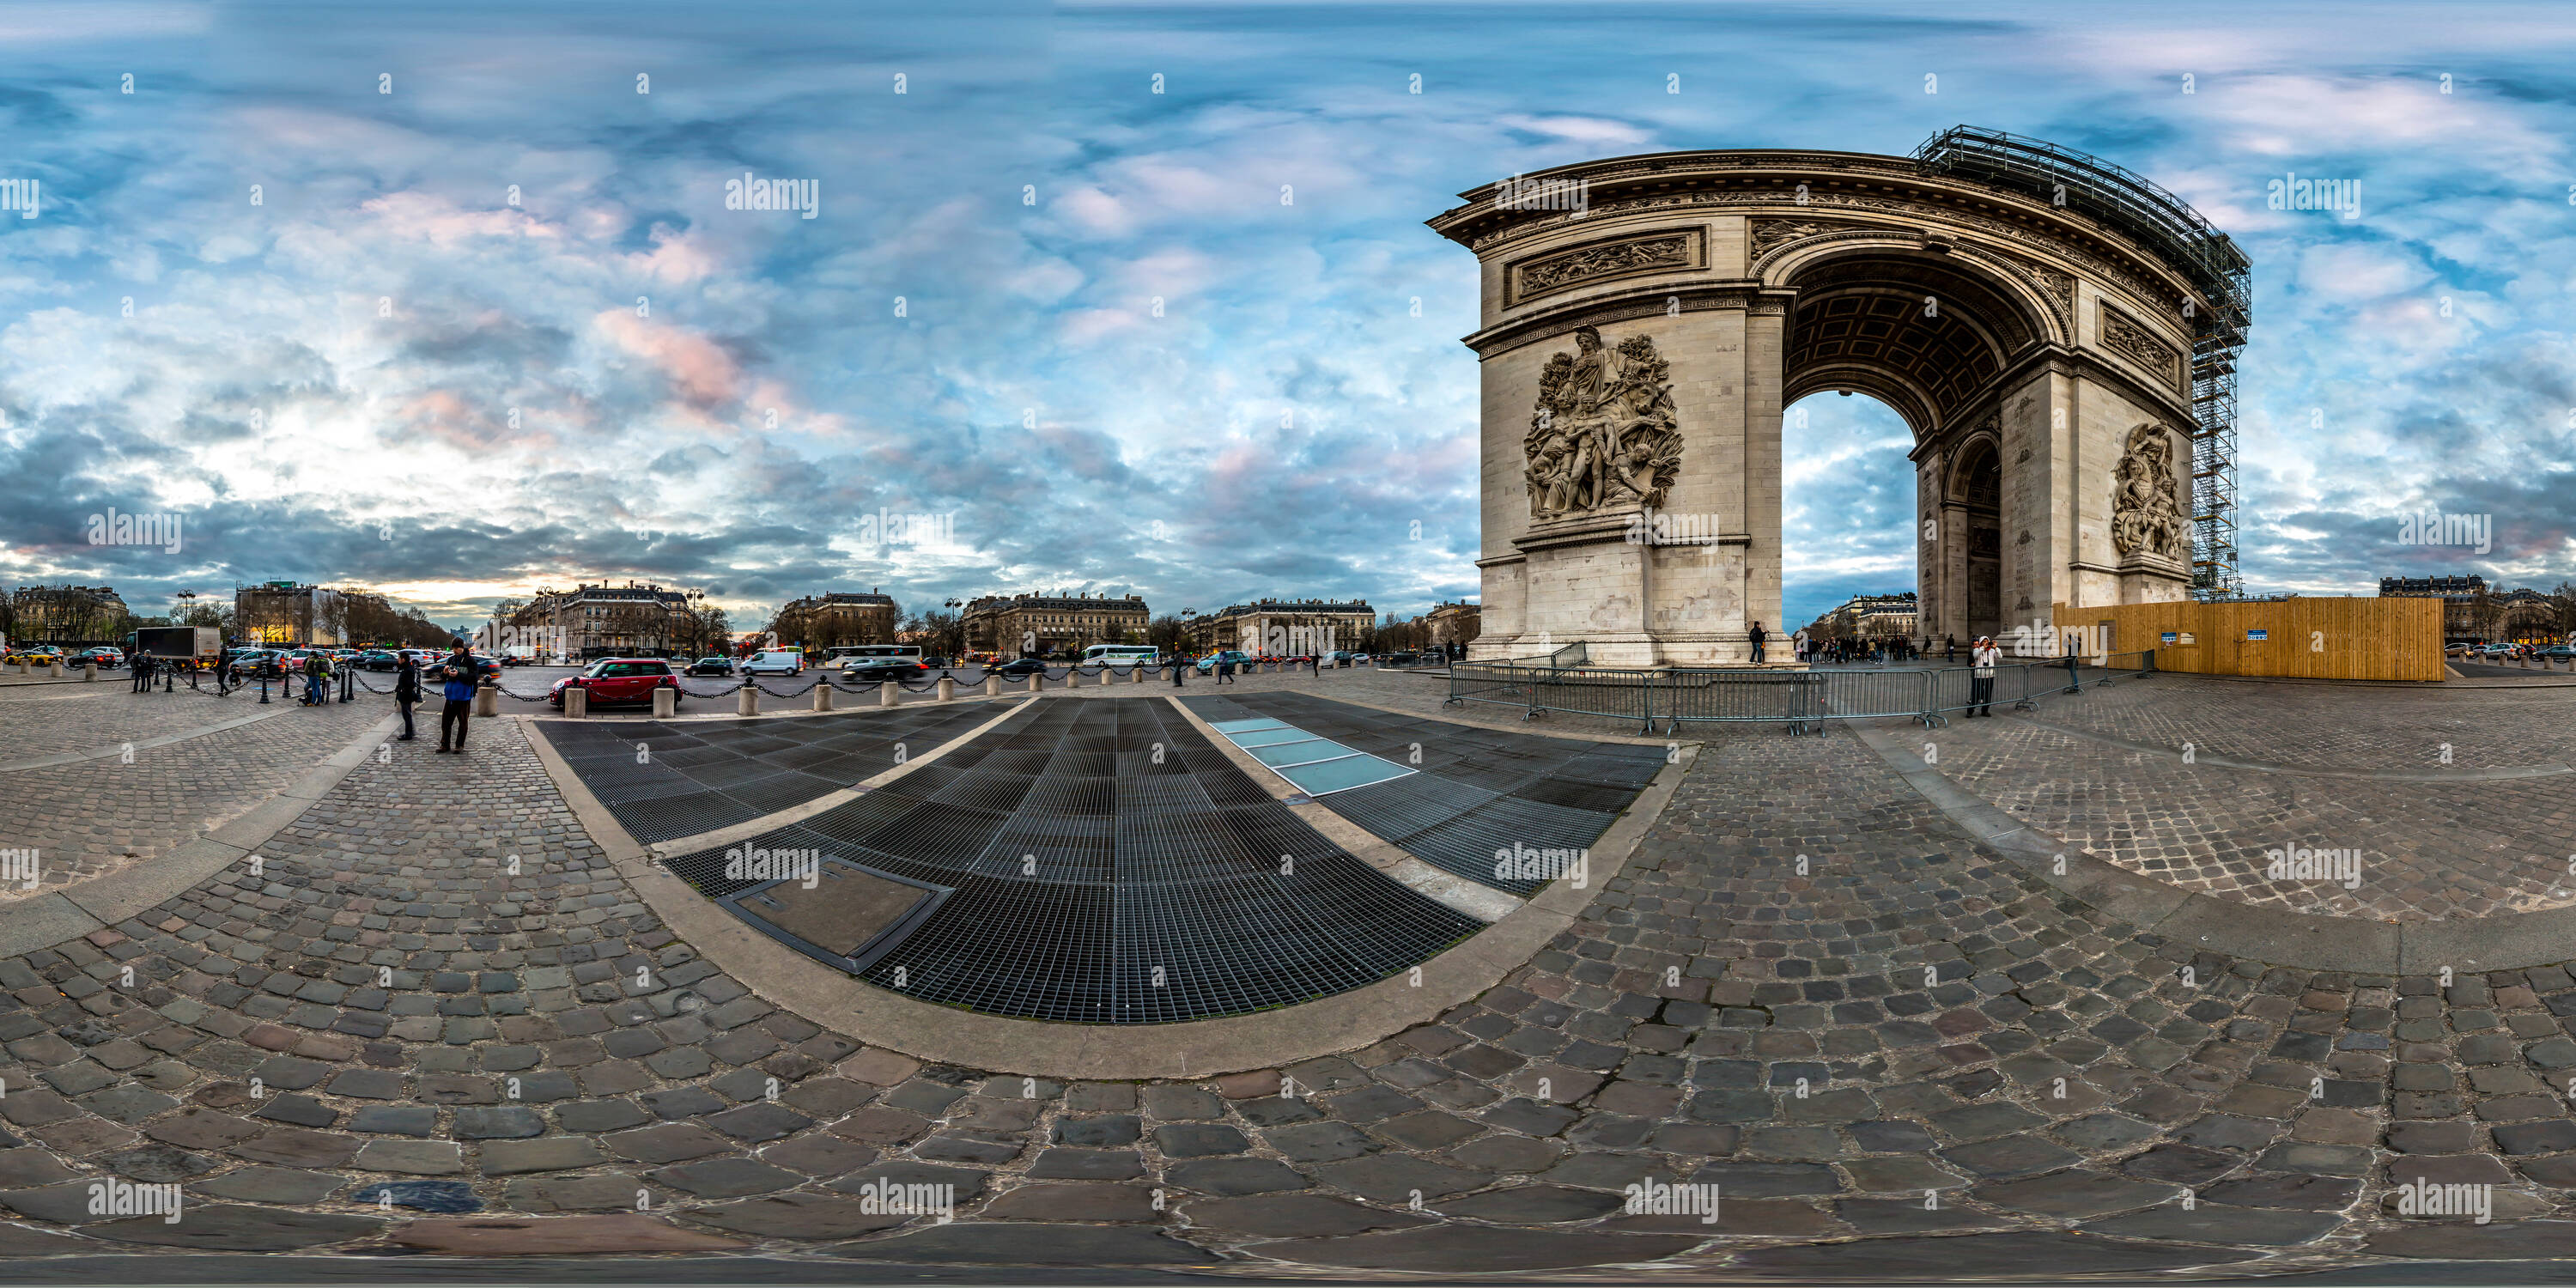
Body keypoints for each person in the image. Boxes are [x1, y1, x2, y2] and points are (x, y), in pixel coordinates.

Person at [436, 644, 477, 753]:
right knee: (445, 723)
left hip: (464, 697)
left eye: (456, 648)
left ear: (461, 648)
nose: (454, 651)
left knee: (463, 722)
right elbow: (443, 677)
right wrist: (444, 673)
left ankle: (459, 745)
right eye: (453, 648)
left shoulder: (470, 661)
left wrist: (458, 675)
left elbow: (473, 678)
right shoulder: (451, 659)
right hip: (450, 696)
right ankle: (445, 744)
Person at [1969, 635, 2001, 717]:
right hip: (1979, 676)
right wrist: (1982, 648)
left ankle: (1985, 710)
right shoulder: (1977, 649)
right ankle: (1970, 710)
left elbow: (2000, 657)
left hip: (1989, 676)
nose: (1986, 643)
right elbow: (1975, 656)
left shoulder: (1992, 651)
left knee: (1988, 694)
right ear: (1981, 643)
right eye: (1984, 641)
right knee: (1976, 694)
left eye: (1987, 641)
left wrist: (1995, 648)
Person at [394, 652, 422, 740]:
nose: (398, 660)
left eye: (399, 658)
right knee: (407, 715)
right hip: (406, 695)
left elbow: (409, 684)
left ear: (403, 659)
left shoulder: (408, 670)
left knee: (407, 715)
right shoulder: (407, 668)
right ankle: (410, 731)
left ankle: (408, 734)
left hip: (406, 695)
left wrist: (402, 689)